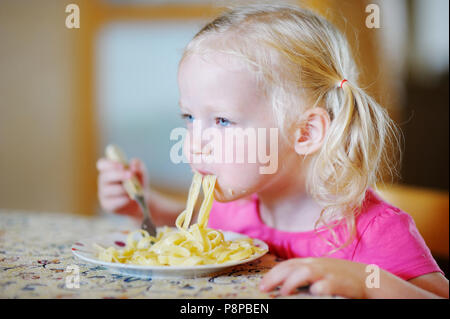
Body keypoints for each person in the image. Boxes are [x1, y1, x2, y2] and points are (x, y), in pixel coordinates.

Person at [96, 4, 448, 298]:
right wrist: (142, 205)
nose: (193, 141)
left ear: (305, 132)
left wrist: (369, 283)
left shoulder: (373, 230)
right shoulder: (237, 207)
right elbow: (185, 225)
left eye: (221, 121)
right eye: (189, 116)